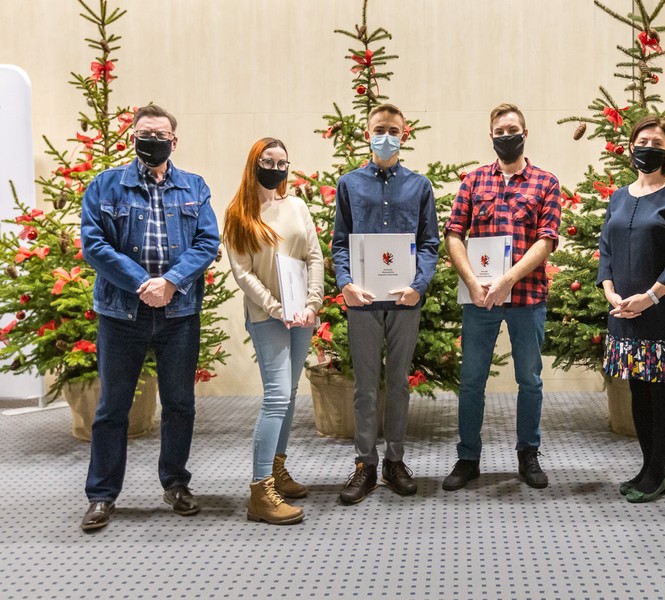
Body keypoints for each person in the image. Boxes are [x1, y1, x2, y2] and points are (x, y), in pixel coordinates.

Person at [79, 105, 219, 531]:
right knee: (112, 408)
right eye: (144, 133)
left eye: (160, 134)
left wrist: (171, 282)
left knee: (179, 403)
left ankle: (176, 483)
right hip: (122, 314)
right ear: (132, 136)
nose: (152, 140)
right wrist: (143, 283)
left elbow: (208, 241)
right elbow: (94, 244)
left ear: (173, 141)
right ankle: (102, 495)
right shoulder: (105, 186)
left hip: (179, 314)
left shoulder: (194, 187)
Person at [443, 103, 561, 491]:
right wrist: (473, 281)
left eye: (512, 130)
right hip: (479, 298)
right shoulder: (474, 181)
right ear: (490, 136)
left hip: (527, 297)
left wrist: (508, 279)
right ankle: (468, 458)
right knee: (472, 379)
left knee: (530, 379)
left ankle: (528, 454)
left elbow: (547, 240)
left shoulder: (546, 183)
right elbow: (454, 233)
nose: (505, 136)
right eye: (499, 131)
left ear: (525, 134)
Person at [331, 103, 439, 504]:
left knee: (397, 382)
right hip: (361, 300)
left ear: (404, 134)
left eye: (394, 129)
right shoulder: (349, 184)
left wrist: (419, 284)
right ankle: (365, 464)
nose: (386, 135)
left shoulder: (419, 186)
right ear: (367, 133)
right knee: (364, 387)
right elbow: (340, 243)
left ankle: (395, 461)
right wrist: (345, 283)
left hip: (405, 300)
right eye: (380, 128)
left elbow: (430, 243)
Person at [224, 138, 324, 525]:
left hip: (302, 315)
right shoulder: (238, 213)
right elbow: (242, 273)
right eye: (269, 161)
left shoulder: (297, 206)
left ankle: (278, 469)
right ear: (255, 164)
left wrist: (312, 303)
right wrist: (276, 307)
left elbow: (313, 256)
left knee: (291, 390)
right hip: (268, 317)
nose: (276, 167)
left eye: (283, 162)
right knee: (277, 396)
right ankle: (260, 488)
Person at [597, 115, 665, 503]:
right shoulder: (618, 197)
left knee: (660, 390)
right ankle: (646, 465)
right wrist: (609, 291)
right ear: (630, 146)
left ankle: (658, 471)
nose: (647, 146)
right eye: (642, 139)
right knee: (637, 389)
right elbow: (606, 248)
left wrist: (650, 297)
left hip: (661, 310)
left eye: (656, 141)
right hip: (622, 310)